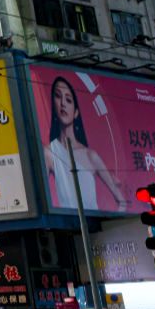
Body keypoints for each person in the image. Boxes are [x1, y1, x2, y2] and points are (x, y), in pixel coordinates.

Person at [44, 75, 124, 211]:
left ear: (76, 112)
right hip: (69, 226)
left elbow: (122, 201)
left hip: (93, 225)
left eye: (68, 100)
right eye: (58, 96)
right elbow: (42, 199)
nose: (63, 103)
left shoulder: (90, 155)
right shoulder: (50, 151)